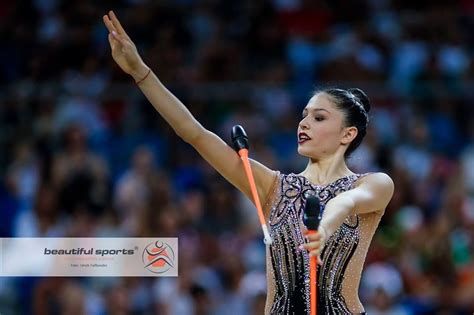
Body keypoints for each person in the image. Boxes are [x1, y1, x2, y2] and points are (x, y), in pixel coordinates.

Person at [103, 10, 394, 315]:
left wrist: (329, 219)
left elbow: (348, 201)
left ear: (348, 134)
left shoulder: (373, 184)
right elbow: (194, 133)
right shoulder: (274, 187)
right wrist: (141, 72)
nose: (304, 123)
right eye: (304, 115)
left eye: (319, 117)